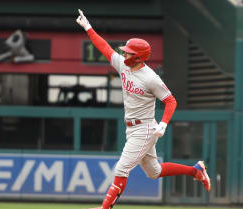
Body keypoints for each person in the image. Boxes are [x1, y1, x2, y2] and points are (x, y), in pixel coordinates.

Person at [76, 9, 211, 209]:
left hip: (145, 129)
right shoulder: (123, 65)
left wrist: (163, 124)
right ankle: (195, 171)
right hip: (132, 128)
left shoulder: (150, 78)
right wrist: (88, 27)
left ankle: (105, 208)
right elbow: (105, 48)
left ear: (139, 57)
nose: (124, 53)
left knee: (121, 168)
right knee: (154, 172)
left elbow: (171, 101)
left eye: (129, 52)